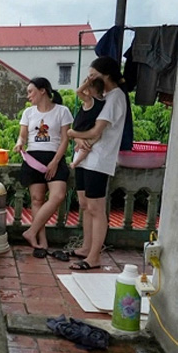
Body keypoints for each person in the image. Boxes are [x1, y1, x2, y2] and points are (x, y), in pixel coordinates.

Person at [65, 56, 127, 271]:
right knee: (84, 204)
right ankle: (86, 247)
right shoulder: (103, 97)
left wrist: (73, 133)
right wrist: (79, 138)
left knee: (95, 208)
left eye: (93, 75)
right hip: (86, 157)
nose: (90, 79)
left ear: (106, 75)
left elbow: (96, 131)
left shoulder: (115, 97)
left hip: (99, 159)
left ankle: (94, 257)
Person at [13, 77, 73, 260]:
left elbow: (65, 140)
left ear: (42, 91)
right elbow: (23, 136)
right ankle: (41, 243)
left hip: (54, 157)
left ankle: (31, 231)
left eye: (30, 91)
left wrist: (55, 161)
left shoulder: (62, 111)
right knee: (37, 200)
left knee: (58, 196)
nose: (28, 95)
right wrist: (19, 144)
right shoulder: (28, 113)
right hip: (33, 158)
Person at [71, 77, 106, 169]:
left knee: (86, 147)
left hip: (83, 128)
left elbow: (78, 91)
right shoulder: (102, 101)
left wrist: (87, 83)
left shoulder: (90, 100)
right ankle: (77, 151)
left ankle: (76, 162)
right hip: (86, 128)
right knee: (86, 145)